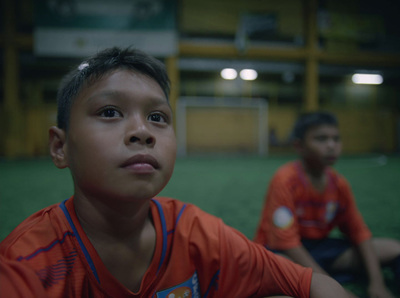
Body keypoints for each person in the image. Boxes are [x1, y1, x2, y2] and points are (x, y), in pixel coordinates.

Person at [0, 47, 347, 297]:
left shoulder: (197, 234)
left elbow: (311, 283)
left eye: (157, 117)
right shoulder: (28, 263)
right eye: (109, 112)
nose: (143, 131)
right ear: (60, 147)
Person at [254, 111, 400, 298]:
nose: (331, 145)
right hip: (283, 253)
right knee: (270, 269)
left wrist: (377, 283)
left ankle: (321, 278)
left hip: (321, 249)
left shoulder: (339, 184)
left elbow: (359, 233)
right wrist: (335, 287)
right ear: (299, 146)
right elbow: (287, 243)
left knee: (394, 249)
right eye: (321, 139)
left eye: (336, 139)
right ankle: (321, 281)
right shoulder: (285, 180)